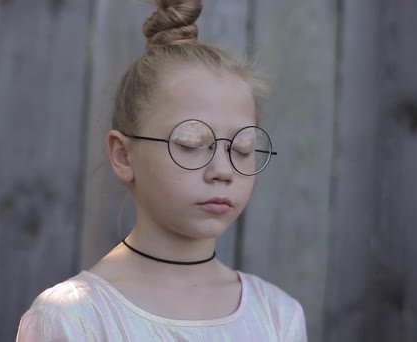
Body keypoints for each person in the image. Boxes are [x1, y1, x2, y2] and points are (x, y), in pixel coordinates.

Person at [17, 0, 307, 340]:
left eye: (242, 148)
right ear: (124, 156)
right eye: (191, 143)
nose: (223, 170)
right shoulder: (72, 318)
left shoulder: (278, 316)